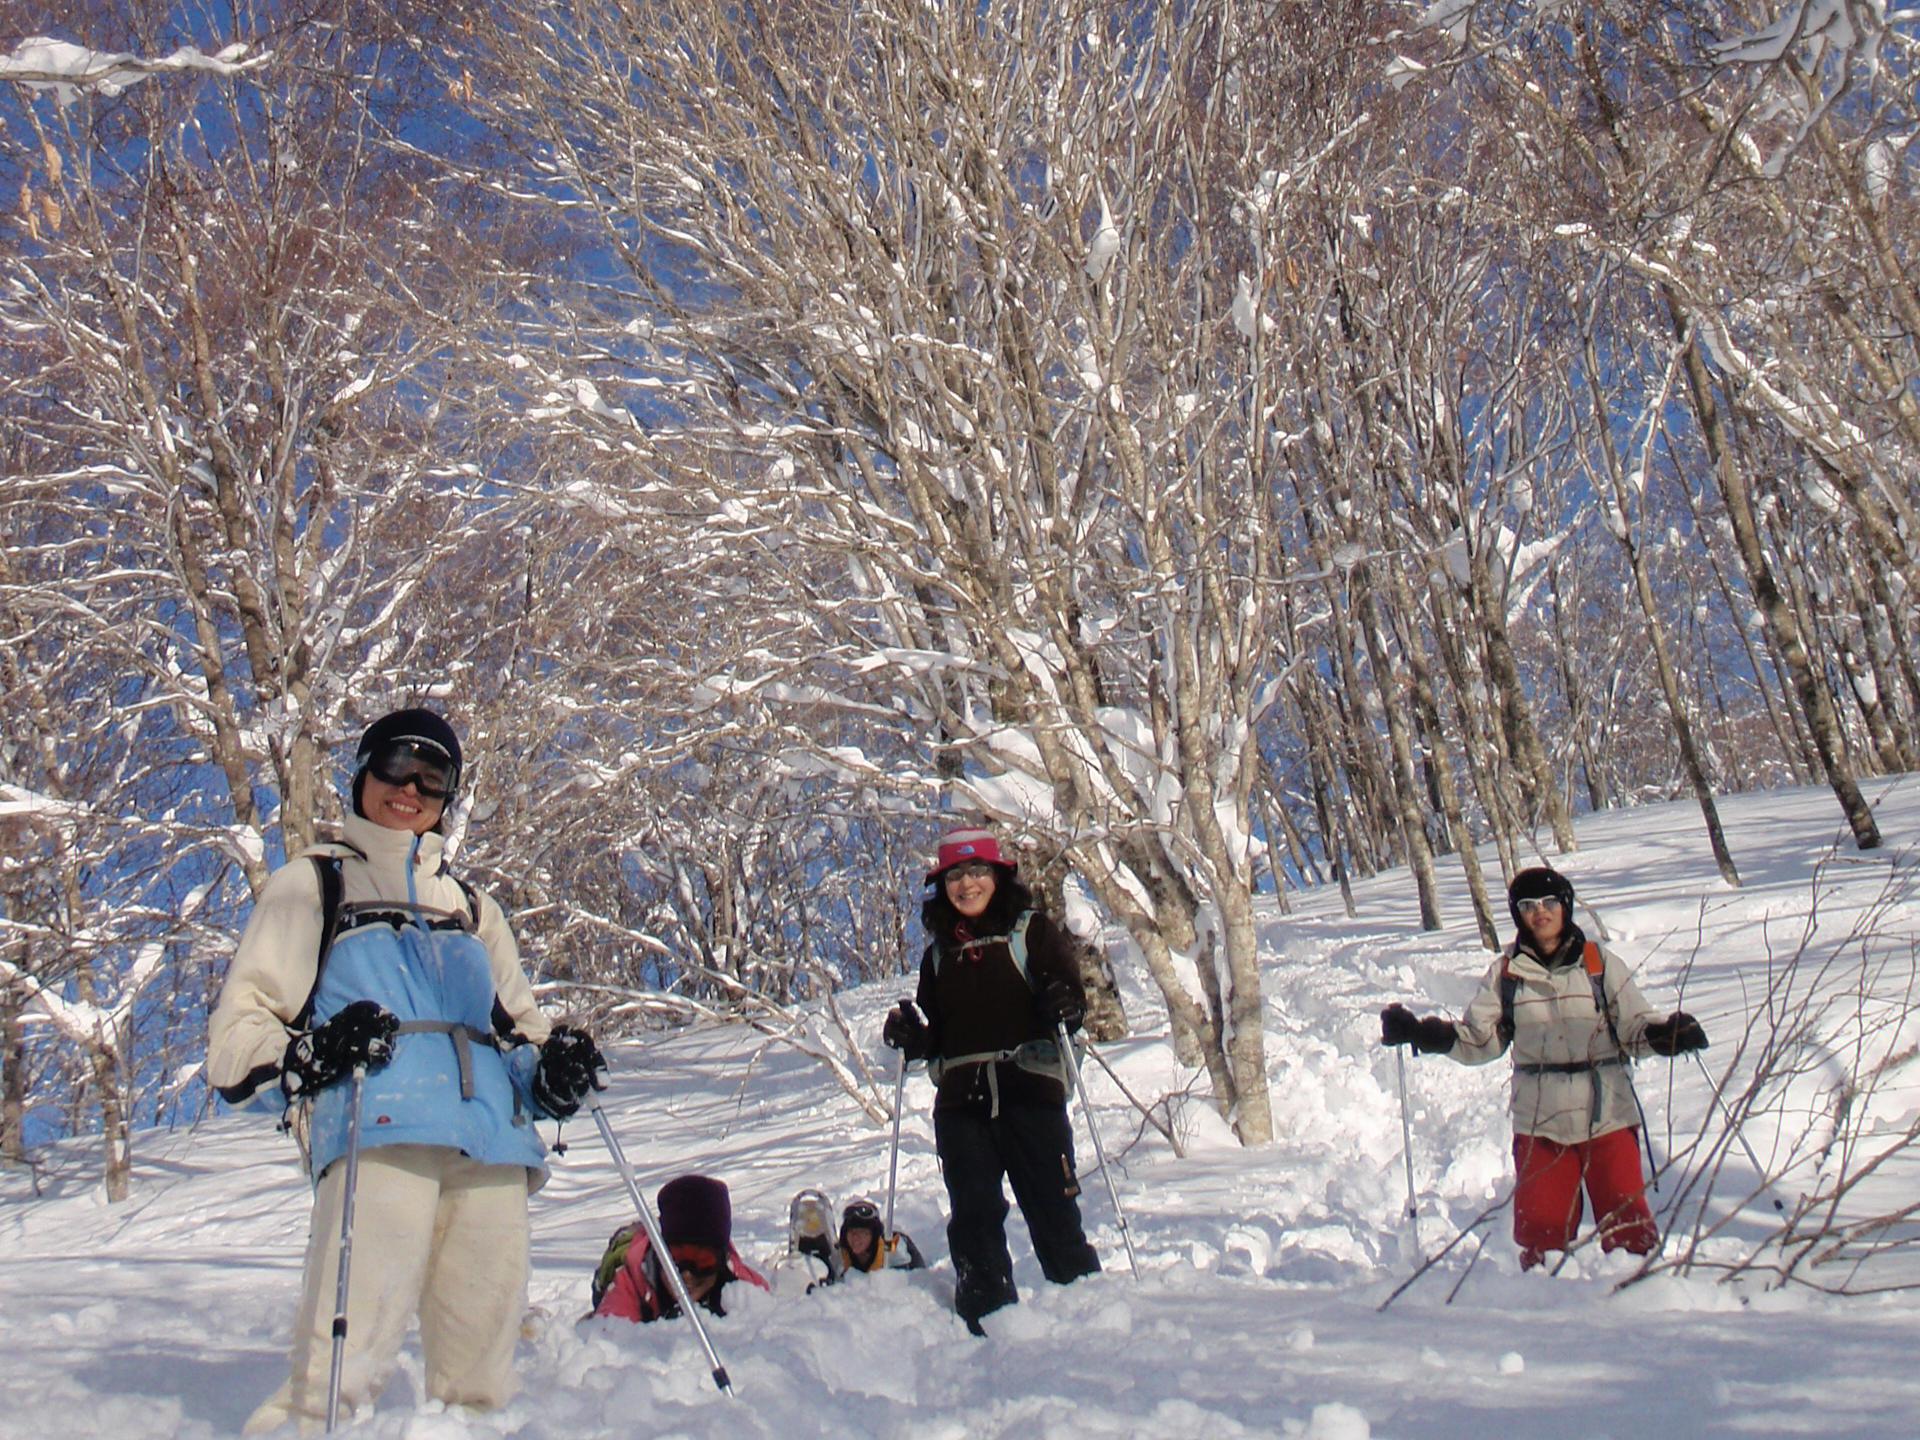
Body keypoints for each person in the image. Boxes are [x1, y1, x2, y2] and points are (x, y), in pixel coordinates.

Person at [208, 708, 606, 1434]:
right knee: (342, 1357)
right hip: (380, 1131)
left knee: (482, 1374)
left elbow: (519, 1033)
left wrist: (552, 1073)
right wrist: (310, 1056)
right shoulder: (315, 885)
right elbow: (240, 1032)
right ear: (363, 772)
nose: (411, 789)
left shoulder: (472, 909)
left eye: (433, 776)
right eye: (396, 765)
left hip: (491, 1147)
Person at [1380, 865, 1708, 1270]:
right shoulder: (1506, 974)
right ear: (1518, 913)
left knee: (1630, 1229)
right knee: (1540, 1236)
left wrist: (1666, 1036)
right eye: (1528, 905)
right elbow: (1481, 1042)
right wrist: (1426, 1035)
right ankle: (1545, 1299)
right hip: (1540, 1123)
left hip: (1608, 1116)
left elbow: (1633, 1028)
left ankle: (1642, 1292)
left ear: (1565, 905)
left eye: (1549, 902)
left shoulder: (1599, 964)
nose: (1540, 911)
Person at [882, 827, 1100, 1334]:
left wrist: (1065, 1005)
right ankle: (985, 1324)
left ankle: (1090, 1321)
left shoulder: (1032, 932)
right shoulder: (939, 956)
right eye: (954, 876)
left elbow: (1071, 1000)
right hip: (962, 1105)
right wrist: (912, 1037)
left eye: (977, 871)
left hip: (1030, 1092)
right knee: (973, 1218)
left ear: (999, 877)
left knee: (1053, 1209)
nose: (966, 885)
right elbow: (937, 1035)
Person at [593, 1174, 770, 1322]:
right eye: (675, 1260)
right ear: (659, 1255)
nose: (686, 1274)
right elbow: (604, 1334)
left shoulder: (746, 1288)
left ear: (722, 1259)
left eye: (702, 1260)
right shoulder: (631, 1283)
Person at [835, 1195, 926, 1276]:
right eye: (851, 1232)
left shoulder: (892, 1247)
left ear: (874, 1236)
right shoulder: (840, 1254)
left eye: (862, 1233)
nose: (855, 1237)